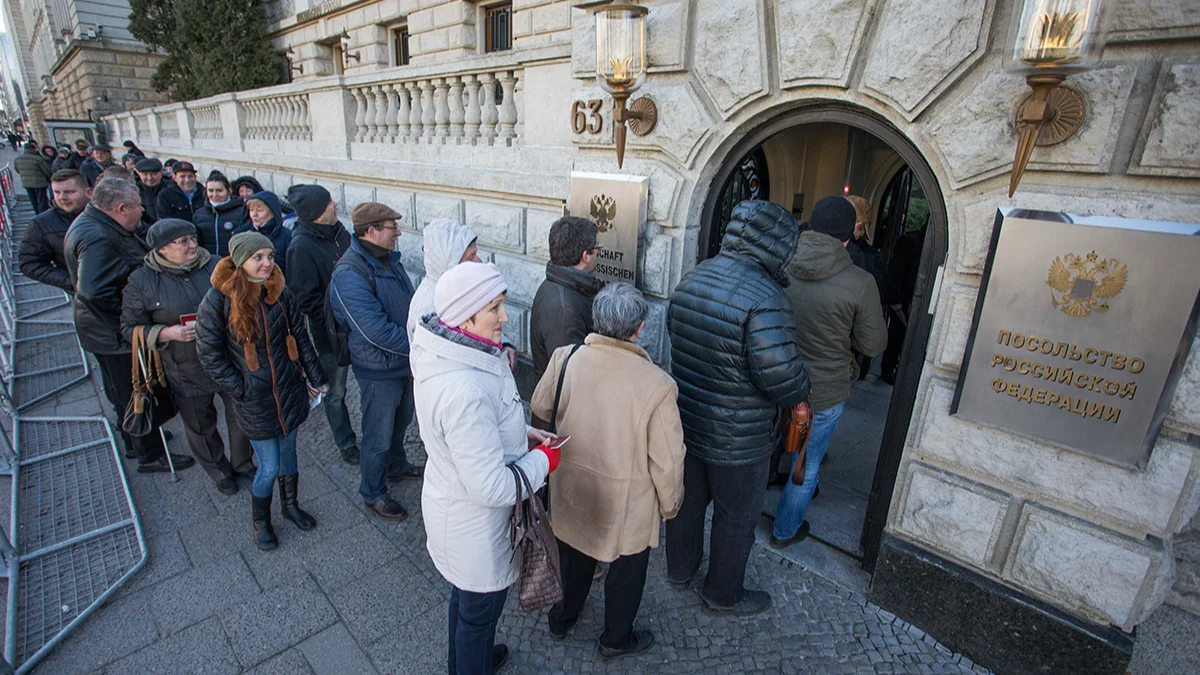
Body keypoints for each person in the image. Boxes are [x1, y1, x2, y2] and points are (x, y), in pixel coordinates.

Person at [665, 199, 811, 616]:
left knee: (686, 504)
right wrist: (805, 385)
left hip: (688, 420)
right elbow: (782, 378)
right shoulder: (767, 298)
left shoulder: (695, 276)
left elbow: (675, 333)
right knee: (735, 518)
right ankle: (722, 593)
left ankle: (680, 570)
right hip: (739, 438)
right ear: (779, 245)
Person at [411, 261, 556, 675]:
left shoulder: (449, 355)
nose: (505, 317)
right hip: (476, 530)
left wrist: (524, 434)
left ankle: (462, 664)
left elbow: (477, 432)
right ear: (464, 317)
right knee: (479, 615)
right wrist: (544, 461)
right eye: (494, 308)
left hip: (455, 514)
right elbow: (491, 486)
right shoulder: (465, 388)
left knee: (465, 603)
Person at [532, 283, 685, 660]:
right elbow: (668, 459)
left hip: (574, 483)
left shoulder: (567, 357)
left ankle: (562, 618)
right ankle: (615, 639)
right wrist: (671, 504)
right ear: (639, 328)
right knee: (626, 572)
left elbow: (540, 404)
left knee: (572, 555)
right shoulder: (658, 384)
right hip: (627, 500)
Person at [196, 231, 328, 550]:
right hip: (255, 399)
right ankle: (261, 522)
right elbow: (209, 352)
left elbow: (300, 336)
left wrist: (316, 378)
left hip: (288, 389)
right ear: (241, 261)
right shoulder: (218, 299)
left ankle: (290, 506)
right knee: (268, 466)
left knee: (289, 454)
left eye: (269, 256)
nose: (267, 263)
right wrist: (240, 387)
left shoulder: (278, 291)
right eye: (258, 258)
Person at [771, 196, 888, 548]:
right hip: (823, 390)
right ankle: (785, 530)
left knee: (764, 446)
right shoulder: (860, 282)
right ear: (849, 236)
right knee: (806, 465)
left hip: (774, 375)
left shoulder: (780, 261)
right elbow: (873, 345)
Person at [63, 178, 194, 473]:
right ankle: (149, 452)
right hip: (114, 335)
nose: (142, 210)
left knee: (121, 390)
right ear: (122, 208)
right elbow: (94, 292)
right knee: (134, 391)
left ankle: (137, 436)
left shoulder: (97, 224)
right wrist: (131, 321)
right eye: (138, 206)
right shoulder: (98, 237)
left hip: (101, 331)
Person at [121, 219, 254, 495]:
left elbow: (243, 299)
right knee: (200, 425)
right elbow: (128, 327)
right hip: (184, 366)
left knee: (241, 415)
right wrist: (166, 332)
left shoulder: (217, 264)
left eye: (193, 238)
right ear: (161, 249)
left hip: (228, 358)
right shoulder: (142, 281)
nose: (192, 245)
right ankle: (219, 471)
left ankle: (242, 463)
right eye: (182, 242)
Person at [329, 202, 418, 520]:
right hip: (379, 370)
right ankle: (373, 492)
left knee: (401, 421)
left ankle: (396, 466)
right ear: (372, 231)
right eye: (393, 228)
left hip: (403, 362)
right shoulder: (349, 274)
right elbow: (375, 332)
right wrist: (419, 348)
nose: (398, 233)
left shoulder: (389, 260)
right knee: (377, 435)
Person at [285, 184, 358, 465]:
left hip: (359, 326)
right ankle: (346, 442)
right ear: (316, 213)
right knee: (335, 392)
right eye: (329, 202)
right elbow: (306, 299)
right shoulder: (300, 248)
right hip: (332, 336)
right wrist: (338, 318)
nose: (335, 204)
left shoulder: (339, 232)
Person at [529, 216, 605, 406]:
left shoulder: (559, 284)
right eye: (597, 247)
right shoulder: (564, 310)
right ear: (585, 256)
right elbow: (569, 379)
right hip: (563, 414)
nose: (598, 252)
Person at [406, 219, 480, 342]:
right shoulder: (427, 309)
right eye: (471, 257)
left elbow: (487, 324)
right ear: (449, 261)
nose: (479, 261)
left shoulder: (460, 288)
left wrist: (504, 345)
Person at [19, 169, 89, 292]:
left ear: (87, 192)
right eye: (57, 192)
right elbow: (29, 263)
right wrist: (71, 282)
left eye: (69, 192)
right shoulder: (41, 224)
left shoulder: (105, 213)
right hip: (83, 295)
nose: (62, 197)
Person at [236, 191, 292, 274]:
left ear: (272, 212)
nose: (254, 214)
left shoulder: (286, 235)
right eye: (251, 210)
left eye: (259, 210)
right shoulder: (241, 233)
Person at [194, 171, 249, 257]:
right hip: (208, 261)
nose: (215, 195)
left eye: (219, 191)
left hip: (234, 260)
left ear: (229, 190)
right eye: (210, 191)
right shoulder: (199, 214)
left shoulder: (242, 212)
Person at [13, 141, 52, 213]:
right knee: (42, 200)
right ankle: (43, 214)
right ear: (33, 149)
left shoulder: (18, 159)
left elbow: (17, 170)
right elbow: (47, 170)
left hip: (26, 183)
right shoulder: (38, 159)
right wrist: (49, 178)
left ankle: (37, 213)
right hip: (39, 182)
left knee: (33, 200)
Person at [135, 158, 167, 230]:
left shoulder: (170, 189)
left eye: (153, 174)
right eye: (145, 174)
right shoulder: (135, 191)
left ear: (161, 173)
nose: (149, 178)